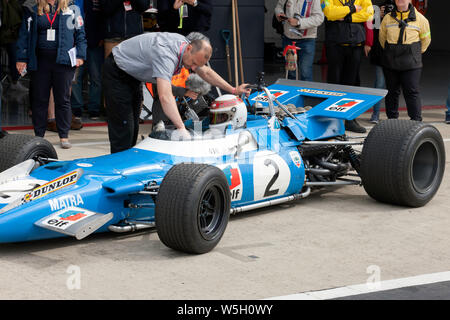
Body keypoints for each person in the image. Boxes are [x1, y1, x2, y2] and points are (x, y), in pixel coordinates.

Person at [102, 32, 250, 154]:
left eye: (196, 65)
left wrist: (233, 90)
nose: (192, 68)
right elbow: (165, 96)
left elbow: (205, 71)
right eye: (192, 63)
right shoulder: (166, 55)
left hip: (132, 75)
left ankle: (126, 165)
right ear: (188, 48)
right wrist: (181, 128)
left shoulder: (187, 48)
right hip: (117, 72)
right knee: (124, 129)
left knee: (132, 127)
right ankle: (117, 174)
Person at [16, 0, 87, 149]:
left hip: (64, 61)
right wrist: (21, 58)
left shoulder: (72, 9)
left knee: (63, 99)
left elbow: (80, 33)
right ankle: (39, 136)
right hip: (40, 61)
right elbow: (24, 34)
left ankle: (64, 136)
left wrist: (80, 54)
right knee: (39, 100)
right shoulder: (33, 9)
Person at [321, 0, 374, 133]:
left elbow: (369, 14)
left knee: (352, 85)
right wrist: (352, 8)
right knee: (334, 84)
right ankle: (332, 120)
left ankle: (350, 119)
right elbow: (329, 13)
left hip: (355, 45)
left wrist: (347, 17)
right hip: (335, 45)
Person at [379, 0, 430, 121]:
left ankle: (416, 122)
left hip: (411, 63)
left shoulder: (421, 19)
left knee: (412, 93)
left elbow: (426, 41)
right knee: (391, 93)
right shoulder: (387, 18)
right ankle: (391, 121)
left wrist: (413, 54)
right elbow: (382, 39)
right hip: (391, 62)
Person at [70, 0, 105, 120]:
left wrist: (102, 37)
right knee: (75, 78)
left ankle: (94, 109)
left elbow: (103, 16)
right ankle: (76, 108)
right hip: (76, 43)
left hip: (95, 42)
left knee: (96, 78)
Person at [274, 0, 324, 81]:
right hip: (288, 38)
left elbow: (319, 18)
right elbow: (278, 7)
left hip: (307, 39)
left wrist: (299, 22)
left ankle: (306, 93)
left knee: (305, 72)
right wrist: (279, 14)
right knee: (290, 72)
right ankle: (292, 93)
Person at [0, 0, 26, 91]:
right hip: (8, 35)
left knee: (17, 55)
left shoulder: (14, 2)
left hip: (12, 35)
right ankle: (15, 80)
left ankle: (16, 80)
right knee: (16, 55)